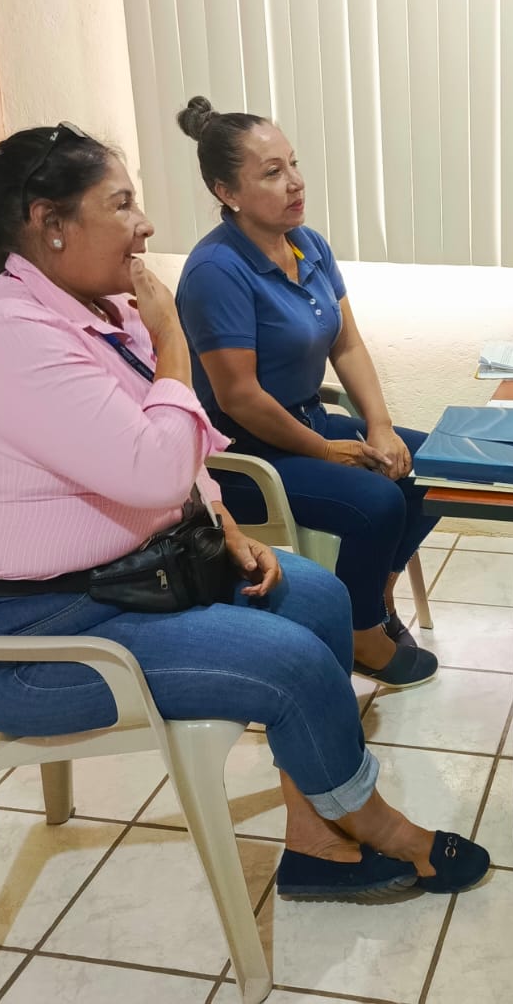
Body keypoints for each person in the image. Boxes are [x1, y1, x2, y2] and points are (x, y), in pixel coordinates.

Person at [0, 123, 487, 898]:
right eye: (122, 205)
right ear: (51, 224)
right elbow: (155, 467)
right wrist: (171, 340)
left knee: (318, 597)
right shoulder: (17, 337)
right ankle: (375, 824)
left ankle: (315, 839)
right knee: (291, 663)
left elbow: (180, 450)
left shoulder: (94, 305)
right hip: (38, 636)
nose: (145, 225)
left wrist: (222, 523)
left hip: (133, 575)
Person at [172, 96, 438, 690]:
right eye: (272, 172)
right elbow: (239, 398)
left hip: (308, 420)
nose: (295, 182)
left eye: (293, 163)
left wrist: (380, 425)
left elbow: (348, 344)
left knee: (432, 464)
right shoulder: (216, 271)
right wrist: (324, 451)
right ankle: (361, 636)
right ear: (226, 192)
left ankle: (373, 598)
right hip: (243, 452)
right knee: (378, 502)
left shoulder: (306, 243)